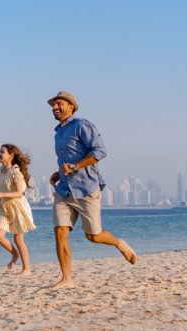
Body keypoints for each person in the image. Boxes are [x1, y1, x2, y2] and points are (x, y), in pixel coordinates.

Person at [48, 91, 137, 288]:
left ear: (71, 106)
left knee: (93, 236)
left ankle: (119, 243)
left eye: (58, 104)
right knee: (60, 232)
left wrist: (74, 167)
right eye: (53, 105)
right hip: (64, 190)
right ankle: (66, 279)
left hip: (86, 188)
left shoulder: (82, 125)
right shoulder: (58, 132)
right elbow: (68, 158)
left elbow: (100, 151)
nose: (54, 108)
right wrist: (59, 172)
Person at [0, 144, 36, 275]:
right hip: (4, 208)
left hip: (17, 208)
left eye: (2, 152)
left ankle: (26, 269)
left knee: (18, 240)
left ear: (11, 156)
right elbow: (5, 190)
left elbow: (19, 193)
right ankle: (15, 255)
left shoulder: (16, 172)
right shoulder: (0, 171)